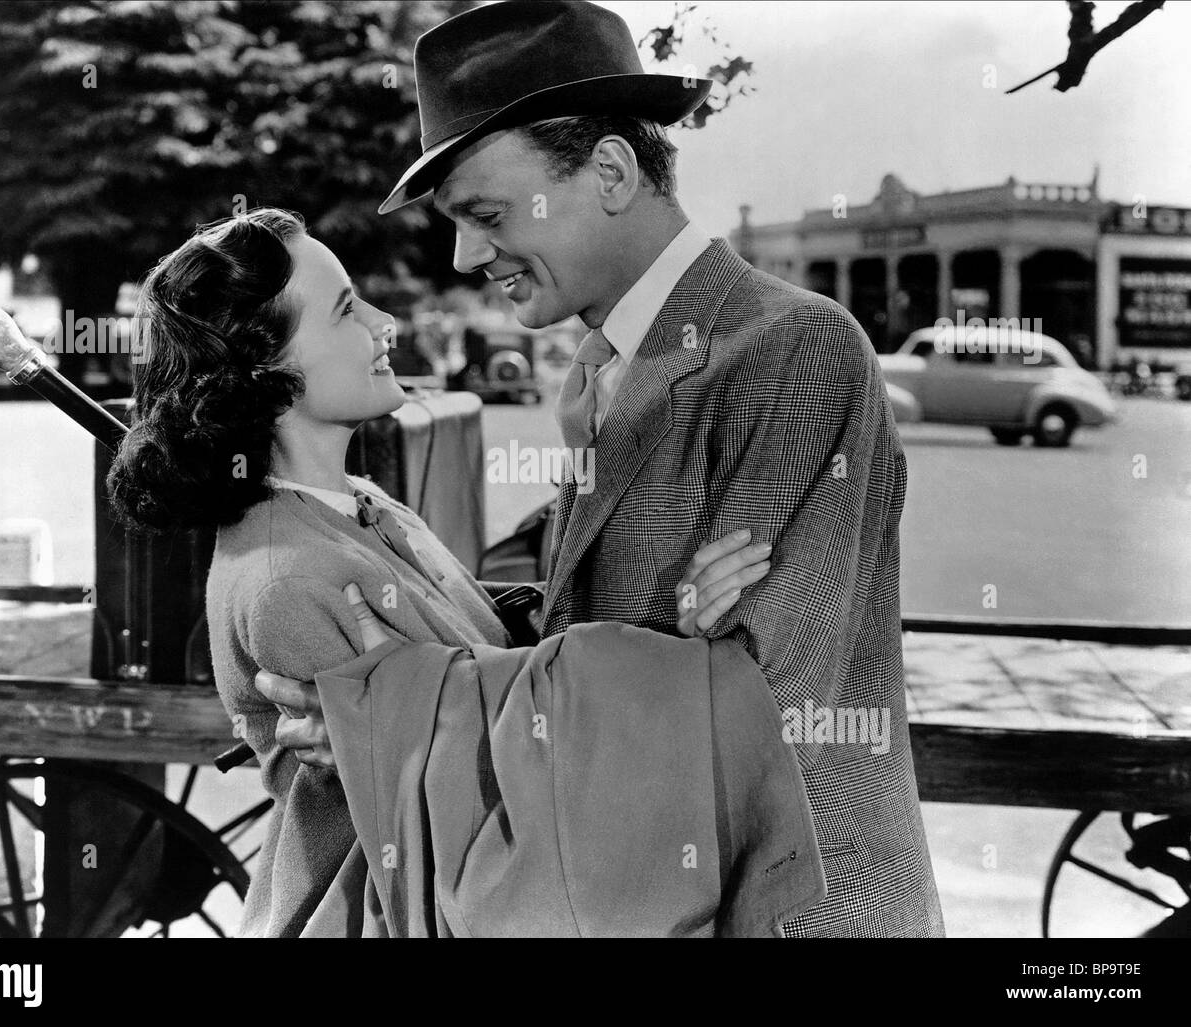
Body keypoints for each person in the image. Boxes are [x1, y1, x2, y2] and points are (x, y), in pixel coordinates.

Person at [260, 0, 945, 937]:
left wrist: (392, 714)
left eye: (487, 214)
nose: (467, 254)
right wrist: (376, 658)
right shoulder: (612, 365)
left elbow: (752, 708)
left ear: (613, 171)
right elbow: (598, 620)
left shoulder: (794, 349)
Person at [106, 207, 812, 937]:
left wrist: (669, 617)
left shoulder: (359, 505)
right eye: (347, 309)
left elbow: (490, 678)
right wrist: (678, 661)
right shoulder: (288, 580)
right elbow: (494, 792)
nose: (385, 324)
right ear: (268, 370)